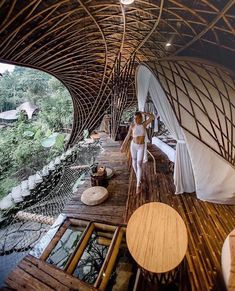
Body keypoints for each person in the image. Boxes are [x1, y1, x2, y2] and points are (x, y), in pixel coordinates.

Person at [120, 111, 154, 193]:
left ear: (140, 118)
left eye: (138, 118)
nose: (136, 120)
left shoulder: (144, 124)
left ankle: (138, 185)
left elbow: (152, 117)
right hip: (133, 146)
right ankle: (138, 176)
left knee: (139, 164)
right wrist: (123, 145)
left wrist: (143, 112)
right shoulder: (132, 126)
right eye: (135, 118)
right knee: (134, 162)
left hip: (141, 147)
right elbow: (128, 136)